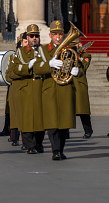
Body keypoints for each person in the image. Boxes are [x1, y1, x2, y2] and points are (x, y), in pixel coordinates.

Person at [34, 20, 77, 160]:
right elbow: (37, 68)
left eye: (60, 34)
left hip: (65, 89)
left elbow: (78, 66)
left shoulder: (71, 50)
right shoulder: (44, 50)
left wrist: (78, 70)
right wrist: (49, 64)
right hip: (50, 89)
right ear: (50, 35)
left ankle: (61, 149)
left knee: (64, 123)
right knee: (52, 123)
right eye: (55, 34)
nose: (58, 37)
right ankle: (56, 150)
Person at [11, 24, 45, 154]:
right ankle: (29, 145)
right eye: (31, 36)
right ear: (27, 37)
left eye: (36, 36)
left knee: (40, 119)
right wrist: (28, 66)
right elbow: (15, 69)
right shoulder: (21, 52)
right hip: (26, 88)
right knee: (27, 119)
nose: (34, 39)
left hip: (40, 87)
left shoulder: (44, 51)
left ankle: (39, 144)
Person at [5, 33, 26, 146]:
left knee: (24, 116)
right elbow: (8, 75)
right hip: (15, 89)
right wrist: (21, 73)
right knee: (14, 116)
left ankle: (26, 141)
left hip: (26, 88)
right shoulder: (13, 57)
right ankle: (14, 138)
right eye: (24, 42)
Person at [72, 37, 93, 138]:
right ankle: (65, 132)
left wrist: (77, 57)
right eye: (75, 44)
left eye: (78, 43)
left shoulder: (86, 55)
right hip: (70, 82)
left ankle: (88, 130)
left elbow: (84, 66)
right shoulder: (68, 54)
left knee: (83, 110)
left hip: (80, 83)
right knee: (67, 109)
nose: (78, 45)